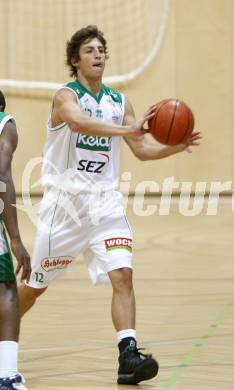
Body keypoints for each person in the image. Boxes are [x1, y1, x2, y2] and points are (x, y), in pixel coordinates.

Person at [18, 26, 200, 385]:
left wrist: (176, 145)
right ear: (75, 60)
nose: (98, 55)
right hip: (64, 208)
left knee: (123, 274)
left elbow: (143, 149)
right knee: (35, 287)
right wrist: (126, 132)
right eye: (89, 50)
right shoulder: (64, 96)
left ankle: (128, 355)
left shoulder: (120, 103)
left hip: (105, 205)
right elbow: (78, 121)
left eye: (101, 49)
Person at [0, 90, 31, 390]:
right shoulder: (5, 124)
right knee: (7, 289)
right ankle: (6, 374)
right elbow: (2, 174)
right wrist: (16, 239)